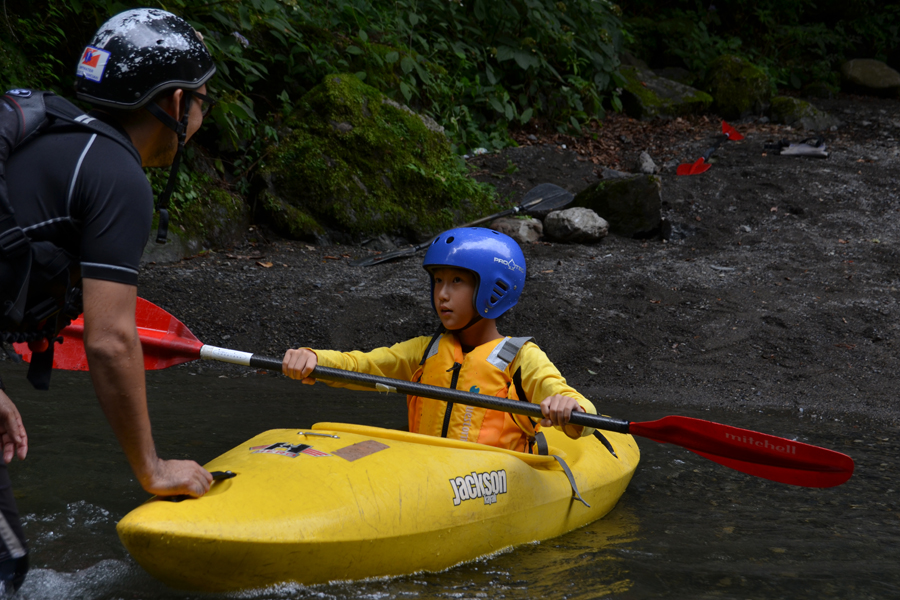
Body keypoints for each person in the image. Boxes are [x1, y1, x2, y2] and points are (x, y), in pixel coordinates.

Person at [0, 8, 217, 591]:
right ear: (174, 104)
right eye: (203, 100)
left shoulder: (49, 139)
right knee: (7, 564)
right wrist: (152, 468)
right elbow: (111, 338)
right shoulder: (116, 175)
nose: (201, 114)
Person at [283, 227, 597, 452]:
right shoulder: (425, 350)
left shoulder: (520, 358)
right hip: (429, 472)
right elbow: (362, 365)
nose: (442, 295)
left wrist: (567, 406)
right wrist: (315, 358)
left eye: (456, 281)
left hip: (489, 480)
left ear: (494, 288)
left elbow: (578, 407)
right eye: (438, 281)